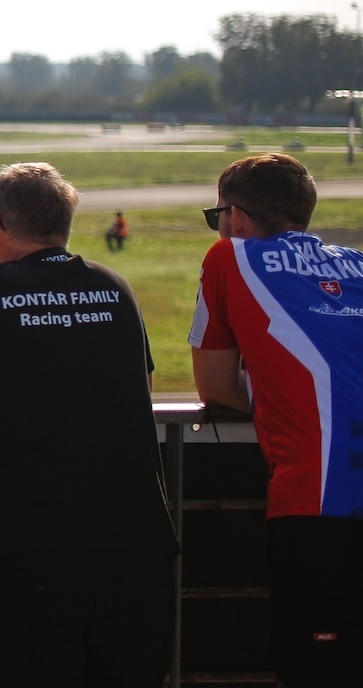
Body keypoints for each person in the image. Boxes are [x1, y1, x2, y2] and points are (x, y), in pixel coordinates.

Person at [0, 162, 175, 688]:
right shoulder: (113, 286)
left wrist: (7, 399)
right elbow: (137, 389)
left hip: (27, 549)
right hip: (135, 546)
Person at [189, 153, 363, 686]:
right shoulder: (357, 263)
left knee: (316, 668)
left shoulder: (230, 258)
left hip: (318, 502)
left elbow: (216, 387)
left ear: (236, 219)